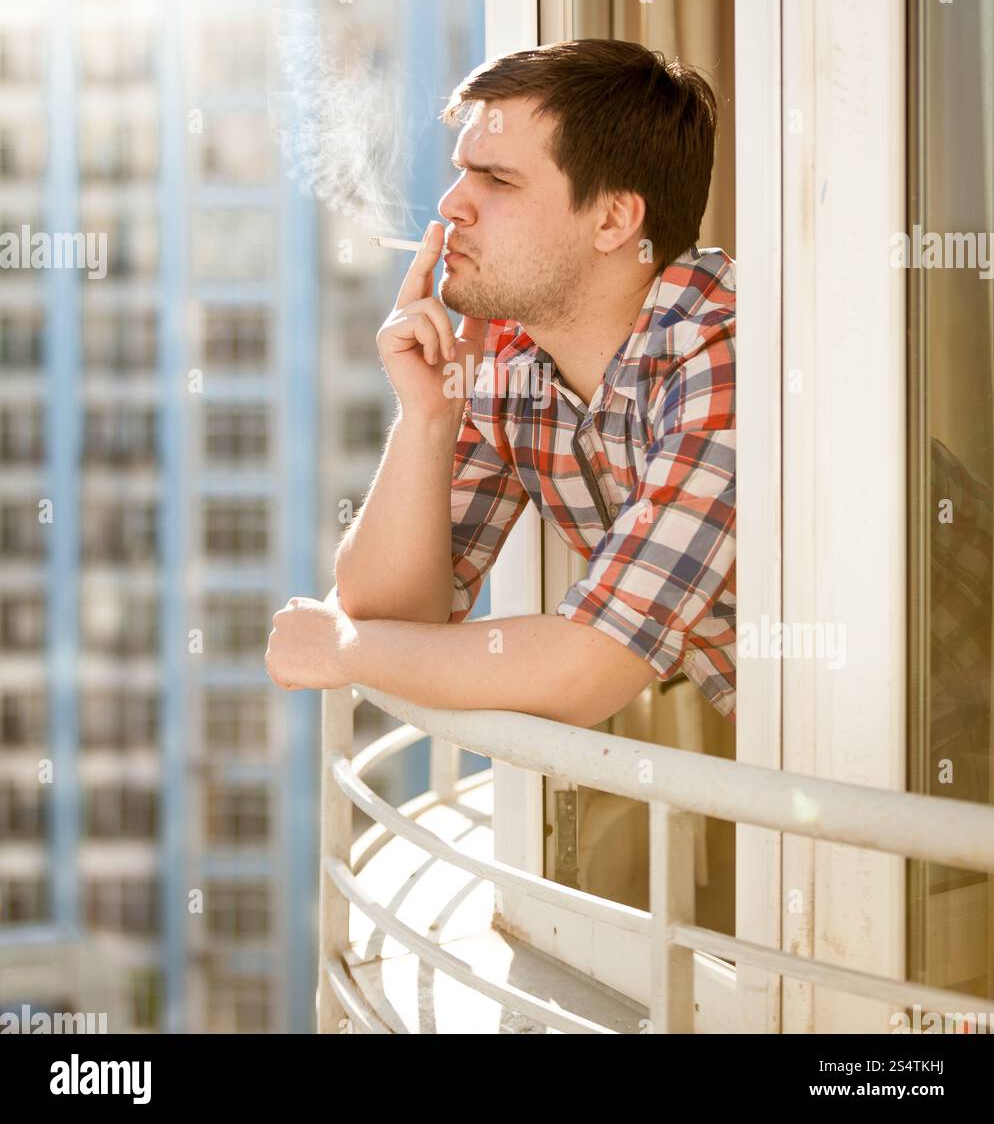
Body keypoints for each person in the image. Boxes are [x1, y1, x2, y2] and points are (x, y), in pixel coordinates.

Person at [265, 38, 736, 727]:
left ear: (612, 220)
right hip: (801, 744)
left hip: (932, 735)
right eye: (461, 173)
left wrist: (342, 648)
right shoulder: (514, 358)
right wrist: (427, 417)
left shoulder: (722, 356)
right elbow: (389, 609)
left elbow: (589, 668)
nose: (452, 205)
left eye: (499, 181)